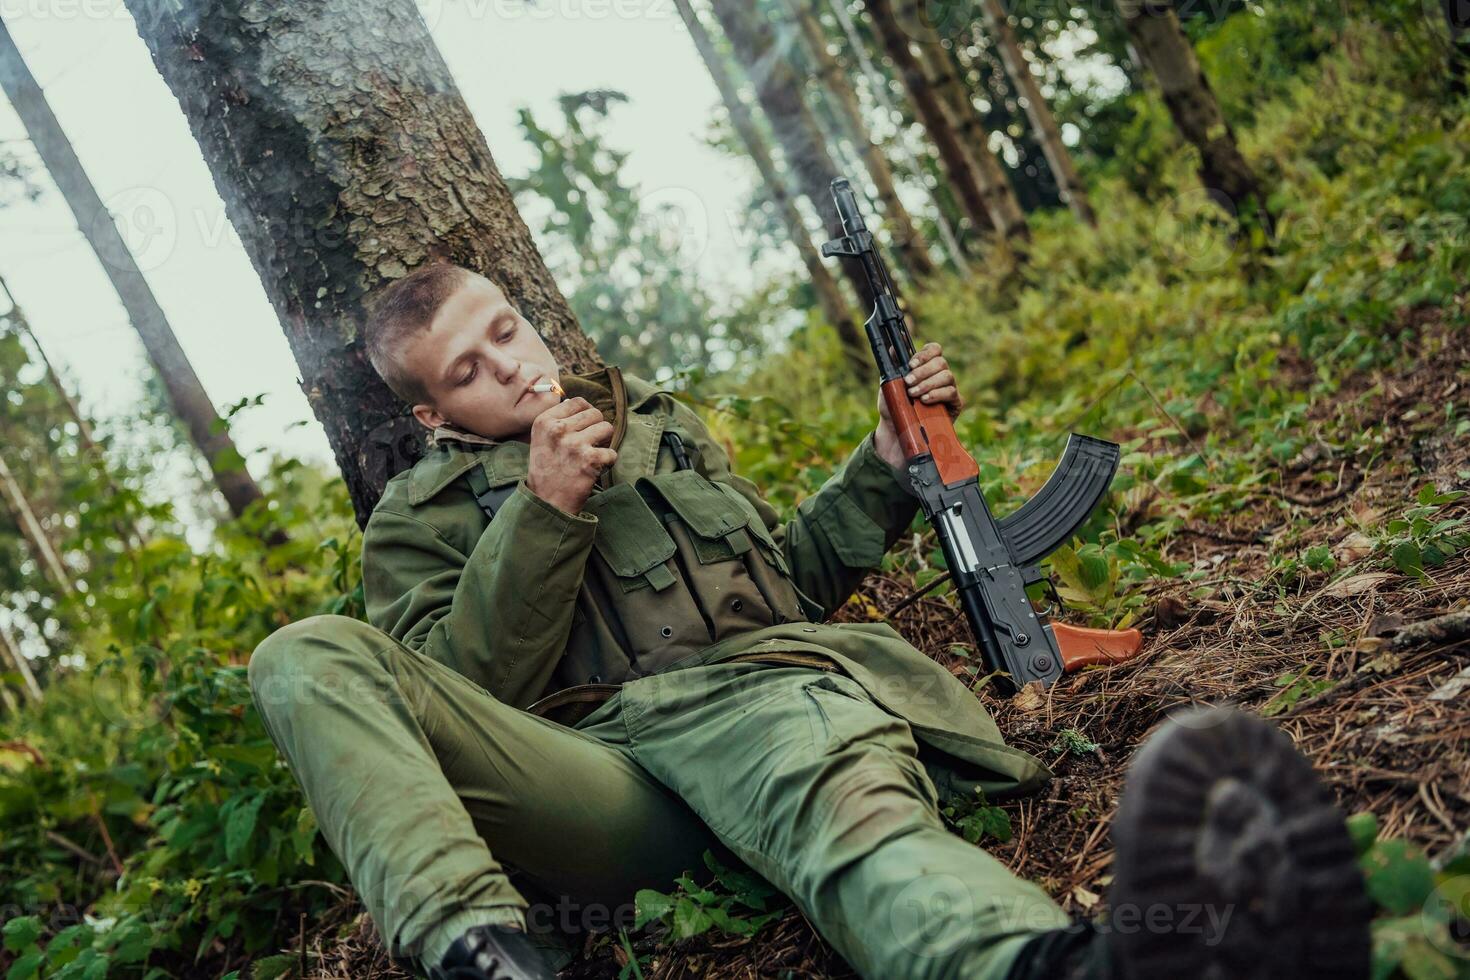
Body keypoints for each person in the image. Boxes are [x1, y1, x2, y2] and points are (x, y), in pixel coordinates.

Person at [247, 262, 1371, 980]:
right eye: (470, 368)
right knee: (301, 657)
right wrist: (540, 513)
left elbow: (786, 580)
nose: (510, 364)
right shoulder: (414, 519)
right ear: (436, 413)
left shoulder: (665, 426)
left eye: (506, 327)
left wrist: (883, 468)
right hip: (608, 788)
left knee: (848, 821)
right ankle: (480, 951)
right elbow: (461, 691)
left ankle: (1044, 964)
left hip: (767, 706)